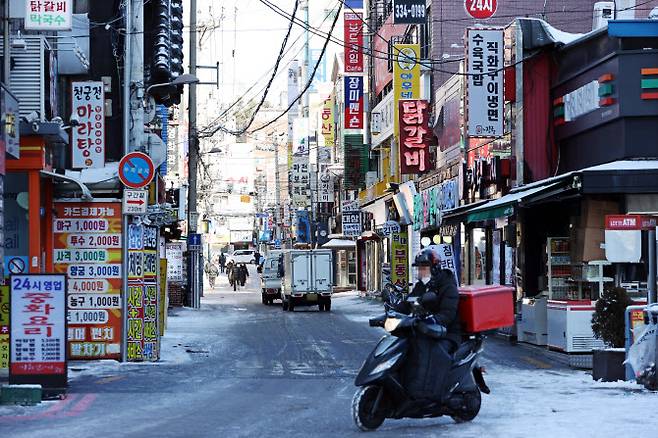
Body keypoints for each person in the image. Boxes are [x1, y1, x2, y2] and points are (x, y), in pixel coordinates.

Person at [403, 247, 461, 348]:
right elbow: (408, 302)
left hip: (446, 332)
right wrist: (391, 313)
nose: (420, 272)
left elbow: (447, 314)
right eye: (418, 268)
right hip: (425, 330)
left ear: (434, 269)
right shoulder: (421, 286)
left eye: (423, 268)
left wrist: (431, 320)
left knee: (427, 353)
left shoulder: (447, 286)